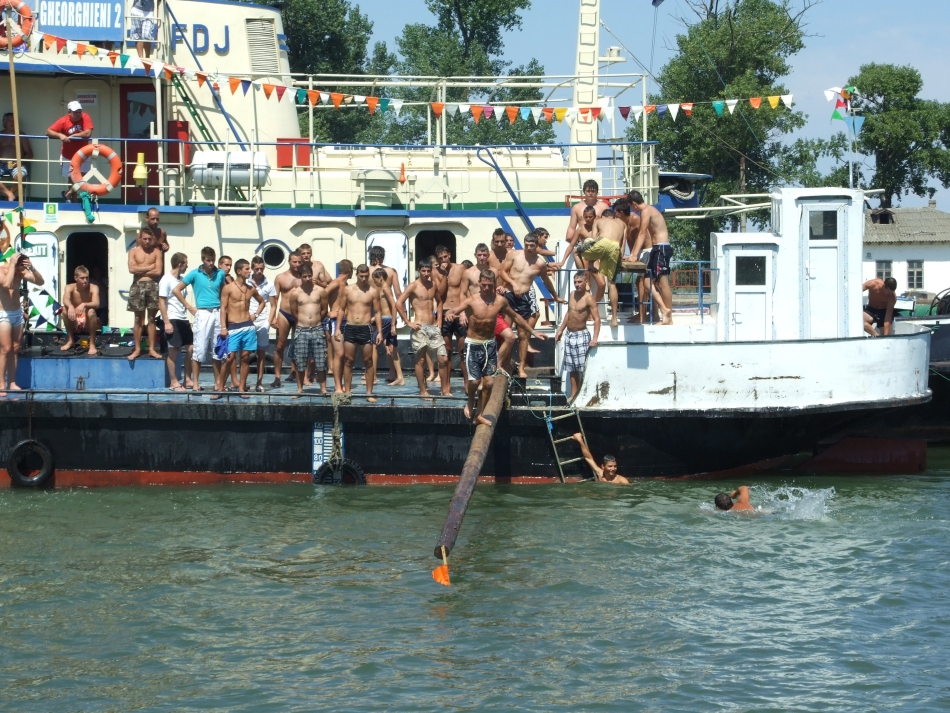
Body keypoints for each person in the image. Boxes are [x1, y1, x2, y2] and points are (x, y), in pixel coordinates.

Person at [446, 269, 547, 424]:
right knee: (474, 382)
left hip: (490, 345)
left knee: (489, 383)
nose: (486, 288)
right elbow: (455, 310)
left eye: (489, 285)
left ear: (494, 284)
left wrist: (533, 332)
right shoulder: (471, 300)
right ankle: (471, 401)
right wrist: (450, 314)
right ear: (479, 284)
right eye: (484, 285)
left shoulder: (500, 301)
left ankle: (479, 414)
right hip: (473, 345)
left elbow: (516, 317)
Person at [499, 233, 564, 378]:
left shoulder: (539, 263)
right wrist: (513, 283)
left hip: (523, 298)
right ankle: (505, 364)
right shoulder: (515, 255)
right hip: (509, 296)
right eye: (526, 245)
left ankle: (522, 367)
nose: (528, 248)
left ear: (536, 246)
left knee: (523, 335)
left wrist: (555, 296)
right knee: (507, 333)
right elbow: (502, 272)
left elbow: (547, 281)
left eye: (532, 246)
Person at [173, 246, 227, 391]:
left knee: (218, 349)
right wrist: (190, 307)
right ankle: (195, 382)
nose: (211, 263)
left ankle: (217, 383)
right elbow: (176, 290)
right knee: (199, 350)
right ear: (203, 260)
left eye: (213, 260)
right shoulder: (194, 274)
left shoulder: (220, 273)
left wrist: (224, 317)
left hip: (217, 312)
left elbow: (223, 294)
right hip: (202, 313)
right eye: (208, 260)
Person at [400, 259, 450, 398]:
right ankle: (423, 391)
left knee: (443, 359)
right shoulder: (413, 286)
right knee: (420, 360)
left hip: (433, 327)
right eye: (424, 271)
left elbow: (440, 302)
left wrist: (440, 319)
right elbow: (398, 303)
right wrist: (408, 322)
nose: (427, 274)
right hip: (419, 328)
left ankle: (445, 390)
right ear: (419, 270)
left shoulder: (433, 285)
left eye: (428, 271)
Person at [462, 243, 516, 370]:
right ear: (475, 255)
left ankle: (497, 364)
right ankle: (479, 375)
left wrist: (501, 289)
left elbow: (497, 289)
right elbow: (462, 294)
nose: (481, 257)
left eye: (484, 255)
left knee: (509, 336)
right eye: (479, 255)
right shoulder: (468, 272)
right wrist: (463, 313)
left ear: (488, 256)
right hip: (475, 313)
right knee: (480, 343)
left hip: (492, 311)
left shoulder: (494, 271)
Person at [334, 264, 382, 401]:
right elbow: (341, 309)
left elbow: (378, 312)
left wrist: (379, 332)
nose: (363, 279)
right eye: (361, 276)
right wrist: (337, 328)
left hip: (365, 328)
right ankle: (347, 391)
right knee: (348, 360)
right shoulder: (347, 290)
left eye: (366, 276)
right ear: (357, 275)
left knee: (368, 361)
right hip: (350, 327)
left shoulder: (373, 291)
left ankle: (369, 393)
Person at [220, 259, 265, 396]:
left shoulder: (251, 289)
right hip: (233, 326)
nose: (250, 271)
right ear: (239, 271)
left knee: (245, 358)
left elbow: (262, 302)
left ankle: (241, 387)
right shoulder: (228, 288)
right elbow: (223, 308)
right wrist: (223, 327)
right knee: (229, 358)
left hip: (248, 326)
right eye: (247, 269)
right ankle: (220, 387)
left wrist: (255, 314)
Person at [628, 191, 674, 325]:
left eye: (631, 207)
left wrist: (634, 255)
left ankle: (668, 318)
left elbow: (642, 234)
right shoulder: (649, 210)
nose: (632, 210)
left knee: (663, 282)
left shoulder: (646, 211)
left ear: (634, 204)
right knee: (647, 280)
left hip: (661, 248)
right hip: (657, 249)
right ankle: (665, 310)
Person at [0, 252, 43, 390]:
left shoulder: (21, 272)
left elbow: (40, 282)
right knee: (6, 349)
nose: (21, 272)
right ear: (14, 264)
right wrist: (13, 264)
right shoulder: (2, 271)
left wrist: (33, 268)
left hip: (17, 313)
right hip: (3, 314)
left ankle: (12, 382)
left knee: (15, 348)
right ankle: (1, 383)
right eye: (20, 268)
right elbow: (6, 284)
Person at [578, 206, 626, 328]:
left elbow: (594, 239)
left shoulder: (599, 221)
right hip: (615, 247)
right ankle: (614, 319)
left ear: (603, 216)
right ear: (613, 216)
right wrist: (619, 260)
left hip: (602, 242)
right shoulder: (622, 223)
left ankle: (585, 273)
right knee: (612, 283)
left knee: (578, 251)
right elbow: (622, 245)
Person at [556, 272, 600, 402]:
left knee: (582, 368)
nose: (577, 285)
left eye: (579, 282)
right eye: (575, 282)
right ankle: (573, 394)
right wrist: (560, 330)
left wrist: (595, 338)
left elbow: (597, 319)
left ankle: (584, 394)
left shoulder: (589, 298)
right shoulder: (572, 294)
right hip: (569, 335)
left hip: (581, 335)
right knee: (572, 368)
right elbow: (569, 313)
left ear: (586, 282)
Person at [289, 265, 330, 395]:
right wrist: (303, 322)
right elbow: (294, 312)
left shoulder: (320, 291)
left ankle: (323, 389)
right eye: (304, 276)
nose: (307, 279)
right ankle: (299, 389)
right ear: (300, 277)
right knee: (300, 361)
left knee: (321, 361)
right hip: (302, 329)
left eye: (309, 276)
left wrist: (316, 320)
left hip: (317, 329)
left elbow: (324, 310)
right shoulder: (295, 293)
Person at [369, 245, 405, 384]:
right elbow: (398, 294)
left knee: (373, 345)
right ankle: (394, 374)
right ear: (382, 257)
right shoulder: (391, 271)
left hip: (376, 314)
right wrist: (402, 315)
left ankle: (373, 376)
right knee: (390, 346)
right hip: (388, 315)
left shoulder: (368, 272)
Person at [435, 245, 469, 389]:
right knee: (447, 350)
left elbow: (465, 291)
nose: (443, 260)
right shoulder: (436, 272)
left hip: (459, 311)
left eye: (445, 257)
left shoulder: (461, 268)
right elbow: (439, 294)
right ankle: (446, 385)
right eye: (440, 258)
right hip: (445, 311)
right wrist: (443, 274)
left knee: (463, 351)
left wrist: (463, 312)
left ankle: (467, 383)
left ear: (449, 255)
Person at [158, 252, 193, 391]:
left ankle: (188, 379)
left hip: (183, 319)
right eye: (186, 263)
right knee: (174, 350)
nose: (187, 266)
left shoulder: (181, 280)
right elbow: (161, 302)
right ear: (180, 264)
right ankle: (174, 382)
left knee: (192, 348)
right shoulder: (166, 280)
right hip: (172, 318)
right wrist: (166, 322)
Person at [46, 101, 93, 203]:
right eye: (75, 112)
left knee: (82, 176)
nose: (78, 114)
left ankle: (68, 193)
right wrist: (60, 135)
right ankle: (74, 199)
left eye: (79, 111)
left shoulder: (85, 117)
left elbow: (88, 133)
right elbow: (49, 131)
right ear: (69, 112)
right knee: (71, 178)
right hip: (68, 155)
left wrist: (73, 136)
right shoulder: (63, 121)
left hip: (83, 153)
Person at [126, 230, 163, 361]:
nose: (147, 241)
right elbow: (131, 270)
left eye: (149, 239)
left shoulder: (157, 252)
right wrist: (149, 267)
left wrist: (140, 269)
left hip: (152, 286)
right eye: (145, 239)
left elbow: (158, 271)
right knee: (138, 319)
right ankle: (137, 349)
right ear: (140, 238)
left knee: (152, 318)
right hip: (137, 286)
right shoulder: (133, 252)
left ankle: (152, 349)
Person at [271, 250, 302, 387]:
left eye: (299, 262)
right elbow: (275, 299)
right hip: (284, 313)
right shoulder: (280, 277)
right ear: (289, 261)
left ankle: (295, 372)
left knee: (300, 346)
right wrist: (272, 318)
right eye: (294, 262)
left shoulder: (306, 276)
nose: (297, 264)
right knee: (279, 346)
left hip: (300, 314)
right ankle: (277, 377)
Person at [247, 255, 277, 392]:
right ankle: (243, 382)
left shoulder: (269, 284)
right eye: (257, 269)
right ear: (252, 268)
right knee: (244, 353)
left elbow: (273, 305)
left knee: (261, 353)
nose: (259, 271)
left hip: (262, 321)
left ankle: (259, 382)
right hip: (247, 321)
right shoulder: (246, 282)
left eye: (261, 269)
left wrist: (269, 322)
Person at [563, 179, 608, 265]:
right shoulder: (576, 207)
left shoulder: (604, 207)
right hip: (582, 242)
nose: (590, 193)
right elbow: (572, 227)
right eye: (588, 191)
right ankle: (584, 275)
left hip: (598, 242)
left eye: (593, 191)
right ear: (584, 192)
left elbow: (608, 226)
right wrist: (569, 240)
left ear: (597, 192)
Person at [60, 265, 100, 355]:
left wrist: (84, 304)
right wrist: (70, 306)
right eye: (82, 278)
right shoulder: (69, 287)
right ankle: (70, 340)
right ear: (76, 278)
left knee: (92, 311)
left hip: (88, 321)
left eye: (87, 278)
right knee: (64, 310)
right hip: (74, 320)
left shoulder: (93, 287)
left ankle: (92, 344)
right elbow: (65, 299)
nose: (85, 281)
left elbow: (97, 303)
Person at [325, 260, 353, 386]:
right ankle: (337, 385)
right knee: (339, 353)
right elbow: (320, 296)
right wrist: (328, 313)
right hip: (336, 322)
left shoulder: (345, 284)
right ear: (350, 270)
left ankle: (345, 385)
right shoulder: (335, 283)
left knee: (347, 355)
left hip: (347, 321)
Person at [0, 112, 32, 202]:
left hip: (17, 164)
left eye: (14, 121)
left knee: (20, 176)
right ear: (4, 122)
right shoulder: (0, 135)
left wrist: (19, 162)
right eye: (9, 120)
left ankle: (10, 193)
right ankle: (9, 194)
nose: (12, 122)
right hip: (1, 164)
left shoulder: (21, 135)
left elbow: (29, 153)